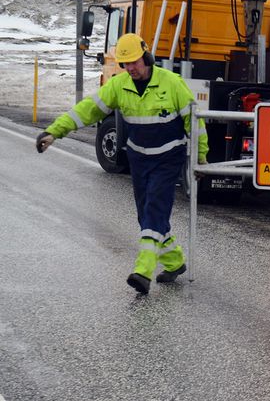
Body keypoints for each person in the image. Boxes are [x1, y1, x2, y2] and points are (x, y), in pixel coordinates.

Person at [36, 33, 208, 295]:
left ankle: (143, 271)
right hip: (139, 159)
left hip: (168, 158)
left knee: (154, 209)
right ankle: (175, 262)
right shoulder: (119, 85)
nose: (131, 69)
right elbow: (86, 110)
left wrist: (200, 156)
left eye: (135, 63)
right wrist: (54, 132)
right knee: (146, 215)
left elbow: (194, 123)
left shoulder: (172, 83)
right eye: (126, 64)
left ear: (147, 57)